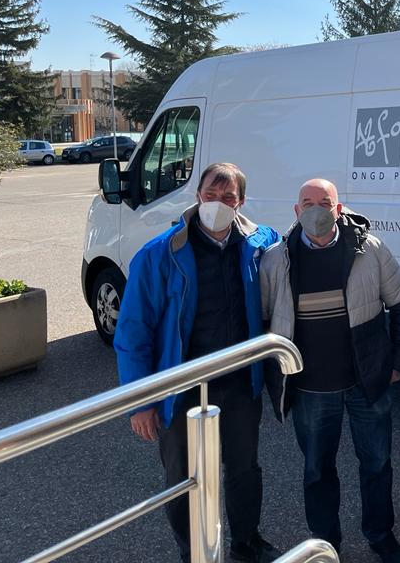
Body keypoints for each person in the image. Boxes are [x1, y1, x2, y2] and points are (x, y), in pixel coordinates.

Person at [114, 162, 281, 563]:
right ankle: (194, 552)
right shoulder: (160, 255)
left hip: (241, 383)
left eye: (228, 197)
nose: (218, 204)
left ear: (241, 202)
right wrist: (142, 402)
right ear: (197, 196)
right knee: (183, 478)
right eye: (211, 194)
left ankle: (246, 541)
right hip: (182, 388)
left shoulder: (258, 243)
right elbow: (133, 333)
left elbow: (292, 247)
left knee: (244, 469)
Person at [261, 179, 400, 563]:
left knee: (377, 462)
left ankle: (381, 535)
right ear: (296, 211)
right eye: (308, 202)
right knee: (317, 470)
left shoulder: (370, 249)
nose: (317, 209)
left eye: (325, 202)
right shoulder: (275, 260)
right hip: (312, 388)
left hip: (367, 383)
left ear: (339, 208)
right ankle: (326, 544)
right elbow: (263, 322)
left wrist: (397, 363)